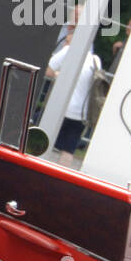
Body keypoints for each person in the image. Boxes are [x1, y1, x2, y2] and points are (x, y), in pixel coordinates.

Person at [46, 27, 100, 165]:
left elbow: (48, 70)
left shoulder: (68, 51)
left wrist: (58, 75)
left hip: (61, 107)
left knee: (45, 139)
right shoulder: (95, 60)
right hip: (81, 112)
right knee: (69, 149)